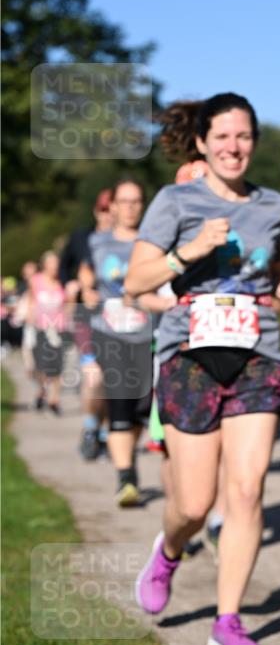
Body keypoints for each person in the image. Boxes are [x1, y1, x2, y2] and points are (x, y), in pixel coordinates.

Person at [126, 92, 280, 645]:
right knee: (195, 506)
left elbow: (278, 269)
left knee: (246, 492)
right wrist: (188, 254)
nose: (234, 146)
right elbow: (134, 282)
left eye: (244, 136)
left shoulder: (273, 204)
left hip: (257, 354)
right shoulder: (175, 201)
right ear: (201, 142)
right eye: (222, 136)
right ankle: (169, 551)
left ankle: (228, 619)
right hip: (189, 355)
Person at [79, 179, 165, 506]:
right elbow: (88, 273)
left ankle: (128, 463)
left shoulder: (154, 243)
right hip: (109, 331)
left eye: (135, 201)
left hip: (146, 333)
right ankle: (125, 476)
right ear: (111, 206)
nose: (129, 207)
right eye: (123, 201)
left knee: (141, 408)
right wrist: (87, 289)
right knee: (119, 399)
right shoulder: (97, 242)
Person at [62, 189, 114, 461]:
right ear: (97, 211)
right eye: (103, 210)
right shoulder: (83, 238)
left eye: (111, 210)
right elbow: (65, 267)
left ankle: (104, 432)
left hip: (116, 319)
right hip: (87, 317)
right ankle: (91, 426)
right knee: (94, 376)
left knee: (112, 381)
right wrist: (72, 287)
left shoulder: (126, 241)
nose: (107, 215)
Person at [27, 252, 69, 413]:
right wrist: (30, 324)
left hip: (58, 330)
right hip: (41, 328)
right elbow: (31, 301)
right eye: (52, 263)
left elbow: (67, 306)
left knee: (58, 366)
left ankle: (54, 399)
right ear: (44, 265)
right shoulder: (36, 280)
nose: (55, 267)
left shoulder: (61, 282)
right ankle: (42, 391)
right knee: (41, 366)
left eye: (56, 263)